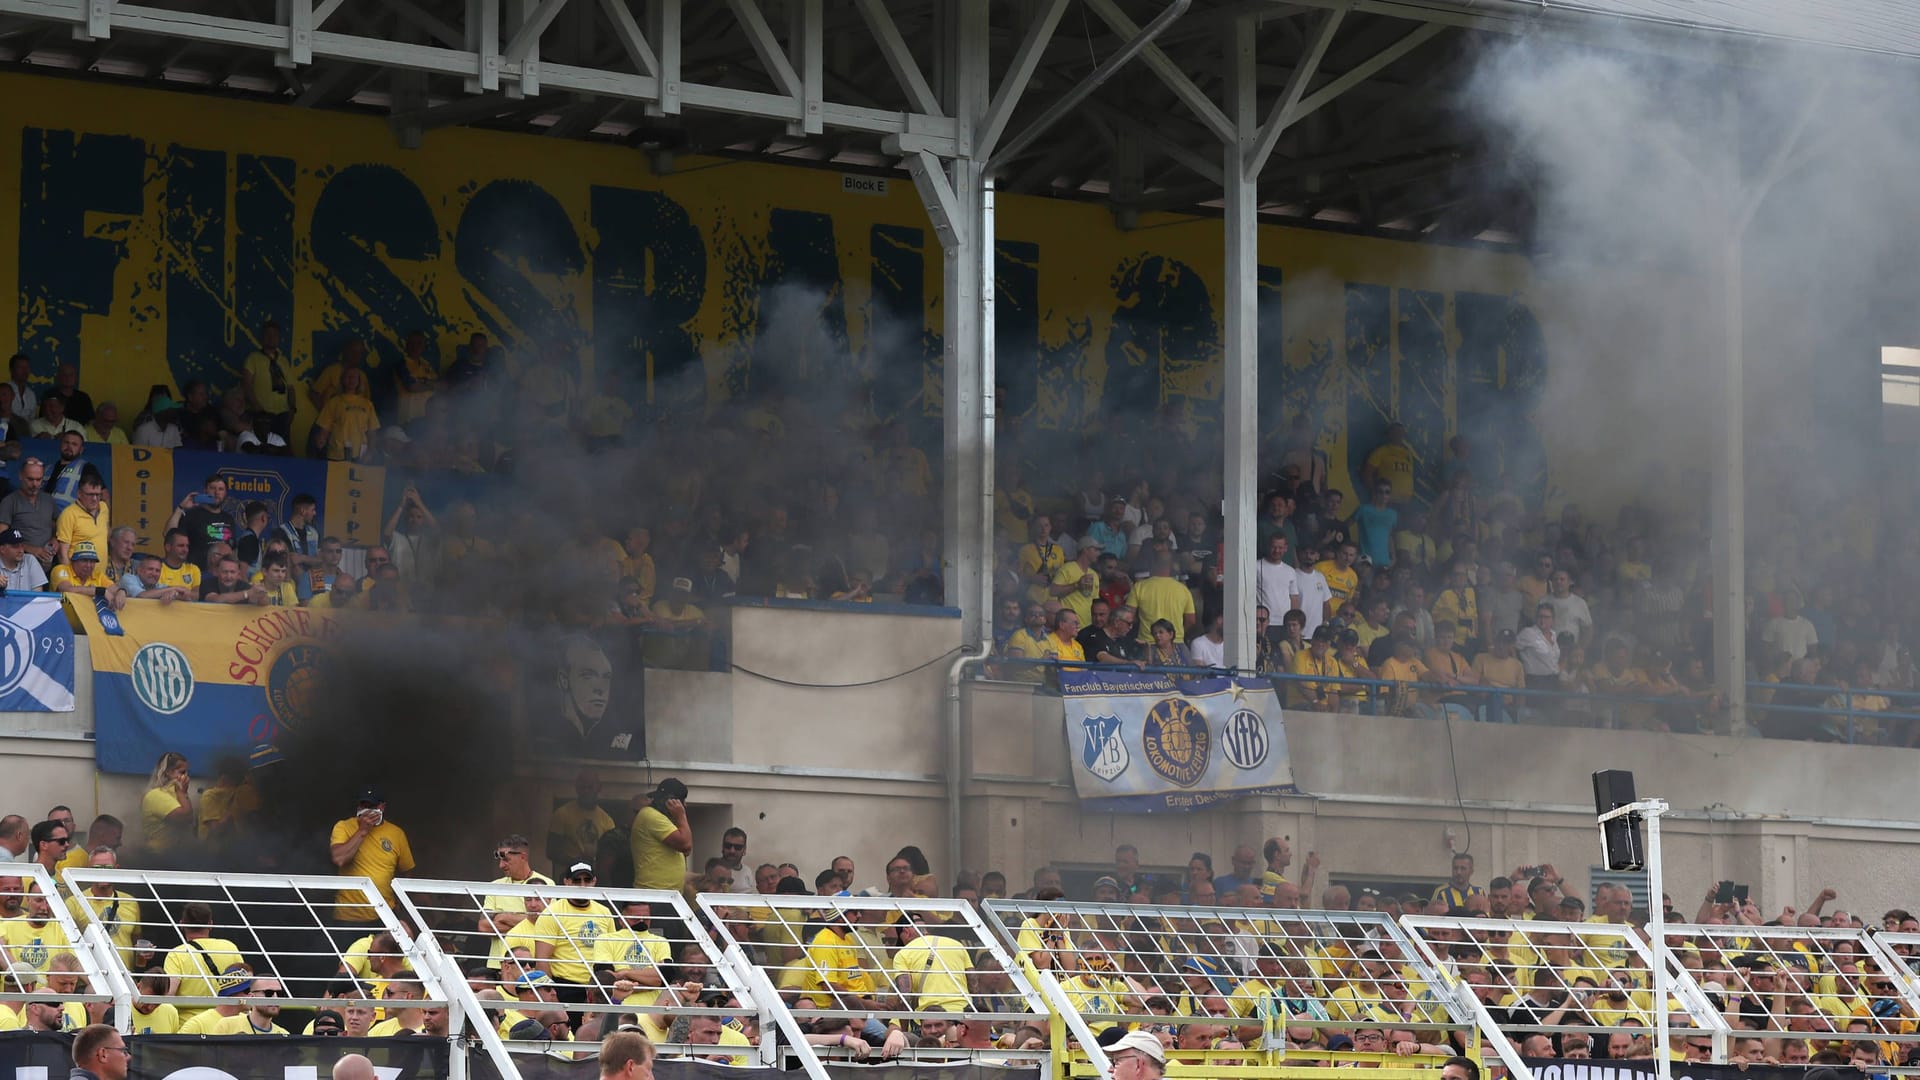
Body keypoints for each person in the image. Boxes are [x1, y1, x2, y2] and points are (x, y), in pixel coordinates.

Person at [533, 634, 639, 758]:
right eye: (588, 676)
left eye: (606, 677)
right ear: (564, 680)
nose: (601, 689)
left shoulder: (612, 736)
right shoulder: (545, 736)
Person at [329, 786, 416, 927]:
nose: (367, 810)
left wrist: (401, 902)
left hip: (385, 914)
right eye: (364, 805)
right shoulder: (343, 826)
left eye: (372, 806)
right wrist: (363, 830)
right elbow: (339, 859)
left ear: (382, 807)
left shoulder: (396, 833)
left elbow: (407, 871)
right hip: (347, 917)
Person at [548, 769, 617, 879]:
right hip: (567, 877)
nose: (586, 791)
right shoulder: (562, 814)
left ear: (599, 788)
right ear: (576, 788)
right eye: (582, 787)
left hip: (593, 878)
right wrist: (578, 862)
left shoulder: (607, 821)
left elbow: (610, 856)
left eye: (590, 787)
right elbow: (551, 851)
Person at [630, 778, 692, 892]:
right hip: (654, 893)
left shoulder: (663, 819)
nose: (685, 805)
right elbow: (686, 844)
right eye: (683, 801)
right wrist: (681, 816)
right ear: (671, 801)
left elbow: (686, 851)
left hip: (667, 894)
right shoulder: (651, 815)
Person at [165, 474, 237, 570]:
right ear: (205, 491)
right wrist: (180, 508)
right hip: (197, 574)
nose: (216, 493)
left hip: (223, 575)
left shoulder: (229, 518)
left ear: (225, 493)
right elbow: (168, 534)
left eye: (221, 489)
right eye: (212, 488)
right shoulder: (192, 515)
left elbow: (233, 549)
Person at [0, 458, 56, 567]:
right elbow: (2, 537)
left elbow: (56, 526)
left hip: (46, 566)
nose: (35, 484)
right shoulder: (10, 501)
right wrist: (30, 549)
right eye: (30, 479)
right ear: (20, 476)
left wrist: (55, 539)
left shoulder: (49, 500)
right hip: (19, 566)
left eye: (39, 480)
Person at [142, 752, 195, 854]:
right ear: (168, 772)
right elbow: (185, 818)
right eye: (182, 772)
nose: (186, 777)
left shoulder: (175, 794)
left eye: (187, 773)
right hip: (159, 856)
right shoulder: (155, 795)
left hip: (175, 854)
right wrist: (182, 792)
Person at [53, 475, 109, 565]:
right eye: (90, 494)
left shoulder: (104, 508)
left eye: (98, 494)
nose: (95, 499)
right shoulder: (68, 514)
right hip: (77, 576)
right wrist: (70, 578)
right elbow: (62, 553)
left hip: (100, 577)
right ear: (79, 494)